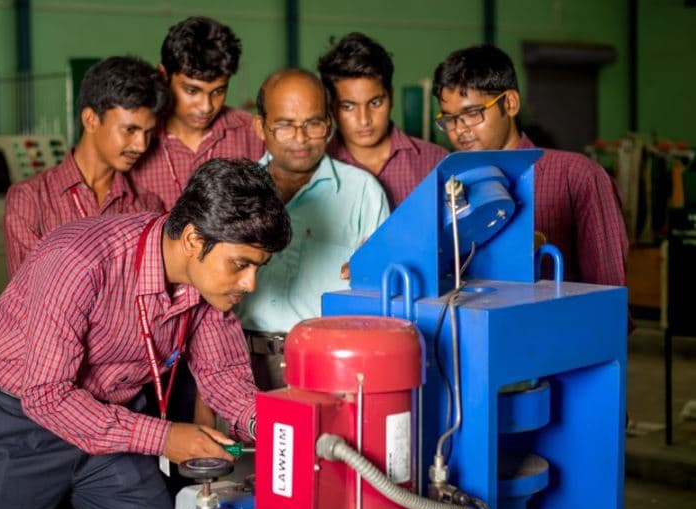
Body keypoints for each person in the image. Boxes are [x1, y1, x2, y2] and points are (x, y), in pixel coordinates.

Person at [0, 158, 292, 509]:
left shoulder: (212, 286)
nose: (249, 283)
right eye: (240, 264)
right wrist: (164, 438)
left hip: (115, 423)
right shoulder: (79, 260)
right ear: (194, 240)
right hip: (19, 425)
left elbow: (224, 379)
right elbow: (46, 395)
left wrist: (278, 432)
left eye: (257, 268)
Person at [235, 69, 389, 390]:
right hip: (238, 366)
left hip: (328, 367)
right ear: (260, 126)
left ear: (329, 126)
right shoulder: (237, 189)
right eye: (285, 126)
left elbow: (383, 298)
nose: (301, 138)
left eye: (313, 124)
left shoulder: (362, 192)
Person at [432, 44, 628, 286]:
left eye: (473, 113)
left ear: (511, 103)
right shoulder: (447, 187)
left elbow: (609, 288)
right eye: (449, 119)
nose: (460, 129)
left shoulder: (576, 176)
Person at [4, 55, 167, 277]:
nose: (141, 145)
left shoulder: (147, 207)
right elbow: (31, 296)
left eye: (148, 132)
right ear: (90, 119)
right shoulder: (30, 200)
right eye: (130, 130)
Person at [130, 16, 263, 209]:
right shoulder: (137, 141)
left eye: (218, 91)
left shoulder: (252, 135)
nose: (206, 107)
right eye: (192, 91)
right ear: (163, 75)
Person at [318, 32, 448, 208]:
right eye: (348, 106)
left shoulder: (435, 163)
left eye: (375, 102)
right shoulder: (317, 168)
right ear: (331, 107)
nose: (364, 120)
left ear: (391, 96)